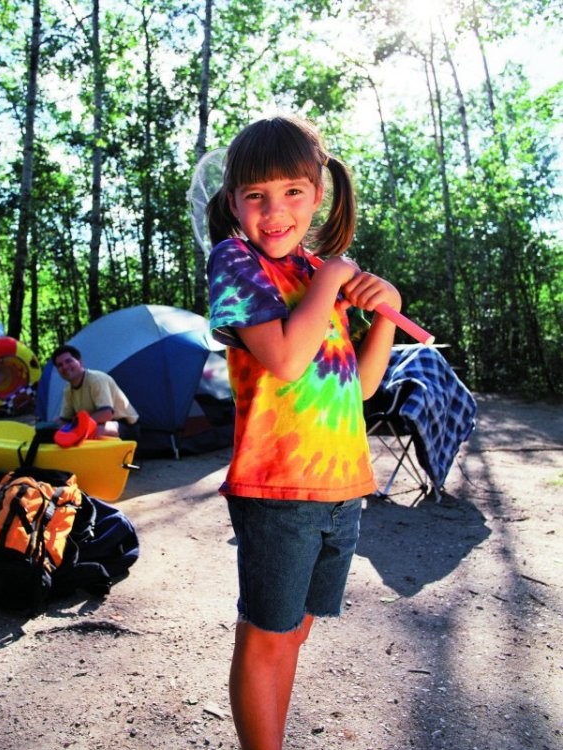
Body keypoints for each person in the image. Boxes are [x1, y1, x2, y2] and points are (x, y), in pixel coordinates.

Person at [205, 115, 401, 750]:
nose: (274, 210)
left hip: (344, 486)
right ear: (233, 202)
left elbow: (363, 387)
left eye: (293, 190)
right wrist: (332, 279)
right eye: (256, 195)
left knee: (294, 631)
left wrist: (386, 312)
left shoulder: (321, 274)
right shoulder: (235, 260)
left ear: (320, 193)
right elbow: (286, 360)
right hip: (277, 489)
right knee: (266, 635)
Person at [51, 344, 139, 440]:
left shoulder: (96, 379)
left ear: (80, 362)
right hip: (90, 424)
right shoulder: (68, 389)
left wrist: (76, 424)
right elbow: (64, 419)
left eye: (68, 361)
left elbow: (106, 414)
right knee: (59, 432)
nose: (65, 367)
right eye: (60, 365)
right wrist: (53, 426)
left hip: (124, 425)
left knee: (93, 432)